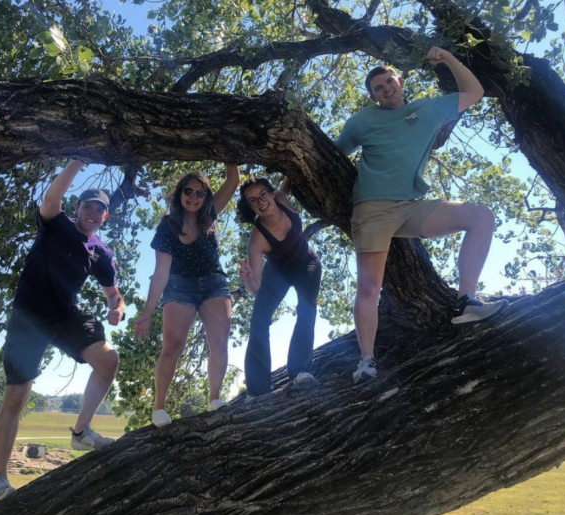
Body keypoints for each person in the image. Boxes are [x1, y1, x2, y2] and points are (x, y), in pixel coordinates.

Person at [334, 47, 508, 384]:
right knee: (370, 288)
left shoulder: (428, 109)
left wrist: (448, 58)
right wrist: (282, 191)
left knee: (481, 217)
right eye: (378, 89)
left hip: (413, 205)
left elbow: (474, 92)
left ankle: (465, 302)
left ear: (399, 80)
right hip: (373, 208)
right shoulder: (363, 121)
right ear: (373, 97)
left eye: (388, 82)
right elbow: (330, 152)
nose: (386, 89)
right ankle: (366, 361)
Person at [0, 159, 125, 501]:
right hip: (28, 316)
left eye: (100, 210)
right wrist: (76, 162)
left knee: (108, 359)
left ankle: (80, 432)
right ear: (77, 209)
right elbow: (51, 200)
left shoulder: (101, 252)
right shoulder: (56, 223)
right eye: (88, 207)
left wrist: (117, 309)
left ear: (105, 217)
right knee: (17, 396)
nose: (94, 214)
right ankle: (0, 479)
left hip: (64, 315)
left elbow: (113, 294)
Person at [133, 164, 240, 428]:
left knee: (219, 342)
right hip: (179, 286)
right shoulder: (167, 226)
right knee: (172, 346)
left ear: (206, 197)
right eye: (189, 192)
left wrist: (225, 146)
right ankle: (159, 407)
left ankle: (214, 399)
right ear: (180, 194)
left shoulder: (210, 215)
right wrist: (146, 314)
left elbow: (233, 179)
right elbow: (160, 275)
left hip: (214, 283)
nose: (194, 197)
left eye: (200, 193)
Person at [238, 177, 322, 397]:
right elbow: (255, 287)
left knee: (306, 309)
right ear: (250, 206)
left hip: (307, 263)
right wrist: (248, 279)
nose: (260, 202)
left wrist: (290, 169)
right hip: (278, 272)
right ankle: (257, 389)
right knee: (258, 321)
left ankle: (300, 371)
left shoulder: (283, 199)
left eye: (263, 194)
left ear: (271, 193)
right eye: (253, 200)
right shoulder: (257, 239)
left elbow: (286, 184)